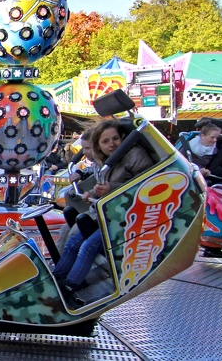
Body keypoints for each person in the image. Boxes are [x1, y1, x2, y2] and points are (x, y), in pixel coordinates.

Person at [53, 120, 153, 297]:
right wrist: (93, 191)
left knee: (88, 246)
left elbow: (147, 187)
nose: (112, 144)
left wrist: (110, 189)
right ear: (99, 145)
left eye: (115, 139)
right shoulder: (106, 161)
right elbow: (105, 184)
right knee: (72, 242)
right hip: (111, 214)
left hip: (130, 217)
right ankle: (57, 279)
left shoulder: (134, 155)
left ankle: (70, 286)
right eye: (105, 141)